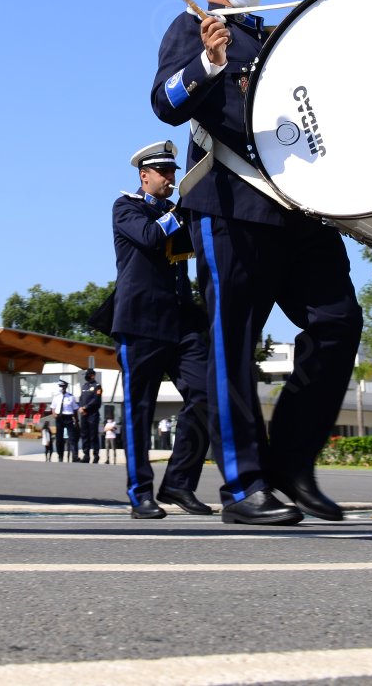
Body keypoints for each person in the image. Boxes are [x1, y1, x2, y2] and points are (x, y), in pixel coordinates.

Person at [153, 0, 361, 525]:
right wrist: (210, 64)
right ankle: (243, 487)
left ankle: (291, 465)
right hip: (230, 204)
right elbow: (165, 102)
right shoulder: (190, 29)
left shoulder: (277, 39)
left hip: (299, 209)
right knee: (232, 343)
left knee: (338, 320)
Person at [107, 140, 216, 518]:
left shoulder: (175, 212)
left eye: (173, 172)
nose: (171, 178)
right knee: (140, 411)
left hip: (181, 322)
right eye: (164, 173)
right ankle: (141, 494)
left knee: (208, 394)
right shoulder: (126, 207)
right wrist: (179, 210)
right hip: (140, 323)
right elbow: (152, 238)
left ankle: (179, 483)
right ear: (144, 176)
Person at [77, 372, 103, 463]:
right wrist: (80, 407)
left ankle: (96, 456)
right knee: (84, 435)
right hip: (84, 414)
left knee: (93, 435)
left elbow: (96, 400)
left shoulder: (97, 386)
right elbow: (81, 399)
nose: (86, 377)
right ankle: (86, 456)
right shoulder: (84, 386)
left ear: (92, 375)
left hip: (93, 414)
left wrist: (86, 407)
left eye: (88, 375)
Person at [55, 381, 77, 461]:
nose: (62, 388)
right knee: (59, 439)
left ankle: (74, 456)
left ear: (66, 387)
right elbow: (53, 407)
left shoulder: (71, 397)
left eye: (63, 387)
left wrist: (76, 420)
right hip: (59, 418)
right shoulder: (56, 397)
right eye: (60, 386)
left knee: (72, 438)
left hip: (68, 417)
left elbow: (75, 409)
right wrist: (54, 414)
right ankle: (60, 456)